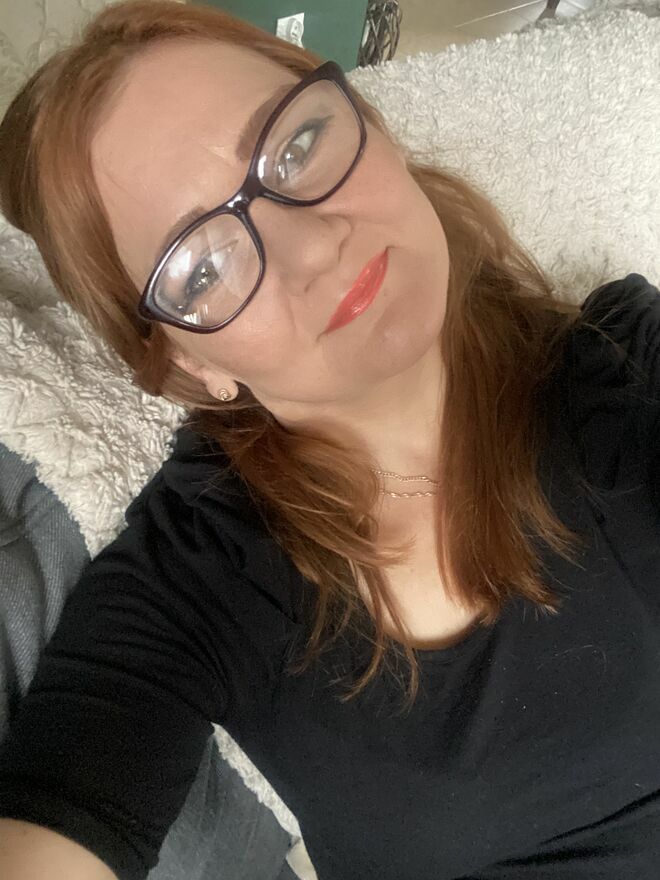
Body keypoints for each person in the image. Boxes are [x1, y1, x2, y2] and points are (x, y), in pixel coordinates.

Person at [0, 0, 658, 878]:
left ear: (371, 124)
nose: (312, 246)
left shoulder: (622, 360)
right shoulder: (202, 571)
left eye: (296, 145)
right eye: (202, 266)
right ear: (189, 362)